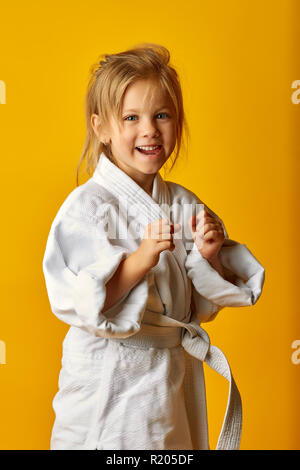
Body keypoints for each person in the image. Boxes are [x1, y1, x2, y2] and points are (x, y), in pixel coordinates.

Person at [42, 43, 265, 450]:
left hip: (168, 375)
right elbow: (87, 303)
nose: (149, 129)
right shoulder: (87, 208)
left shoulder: (183, 203)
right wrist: (142, 258)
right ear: (101, 128)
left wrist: (208, 256)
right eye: (131, 118)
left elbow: (199, 304)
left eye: (162, 115)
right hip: (108, 377)